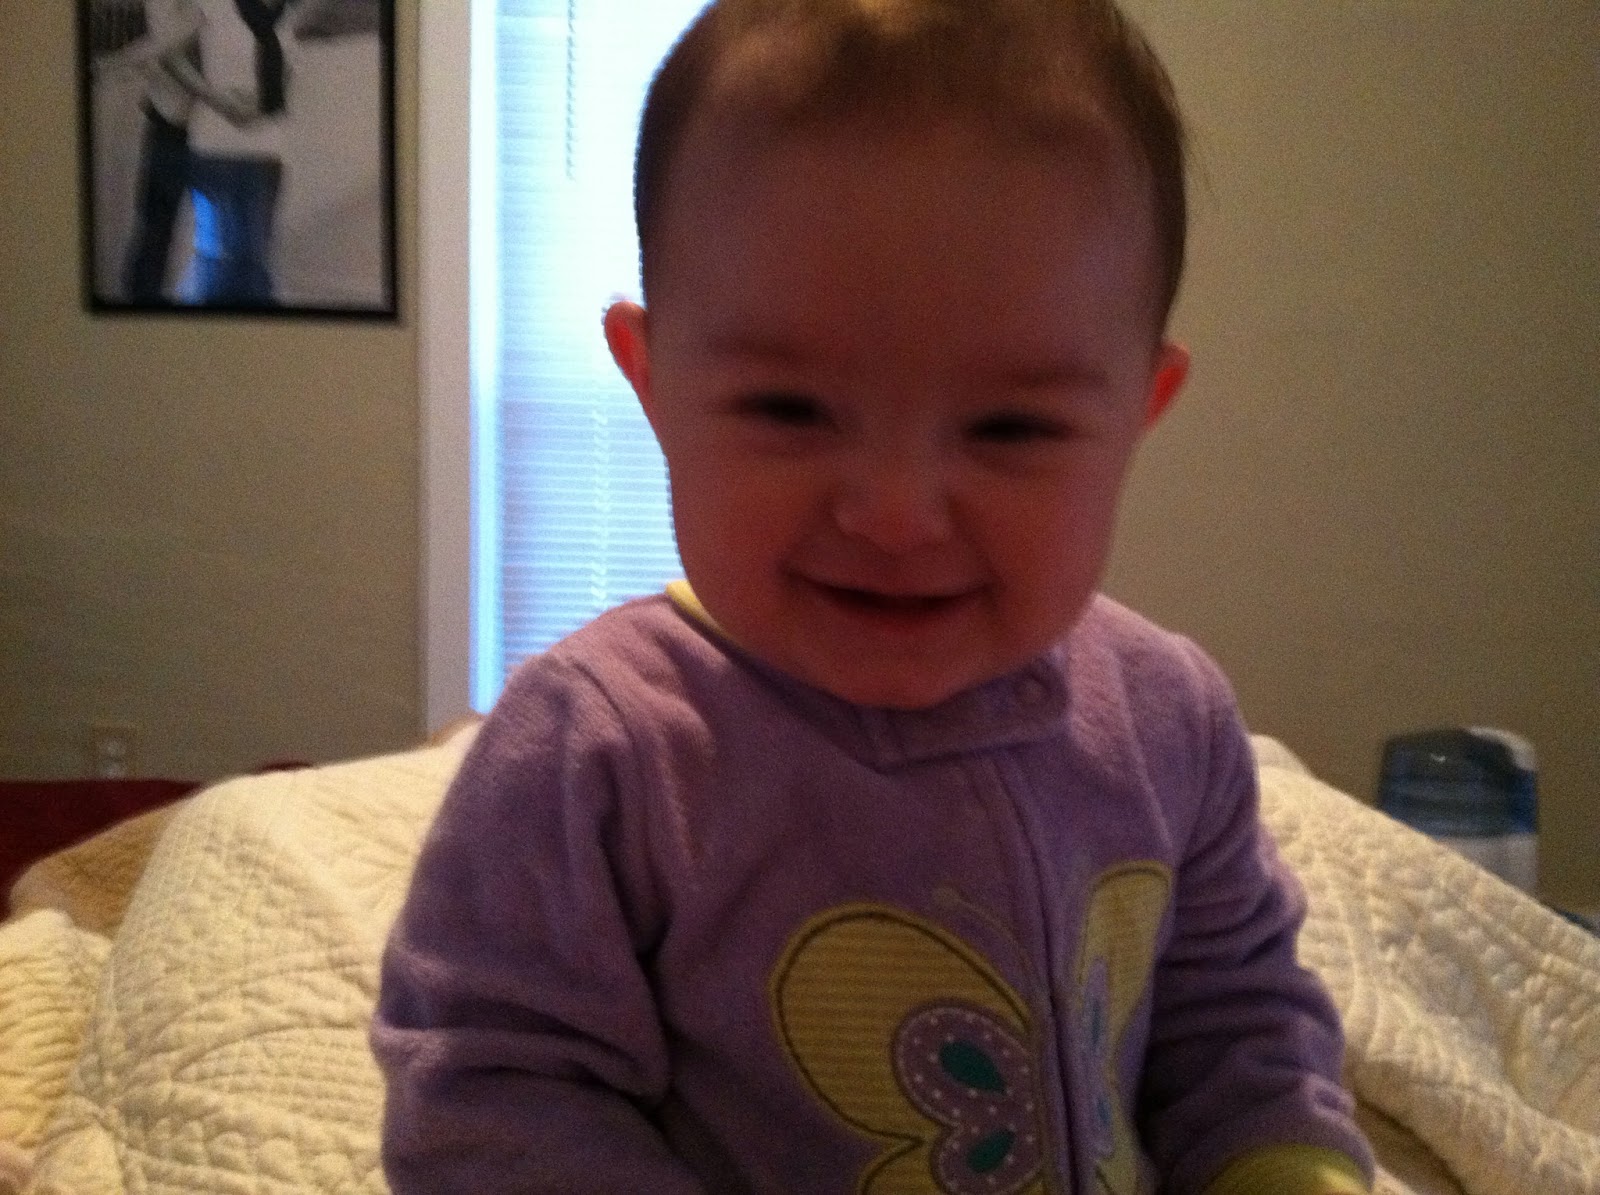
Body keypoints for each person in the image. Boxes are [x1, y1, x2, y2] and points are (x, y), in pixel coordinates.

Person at [372, 1, 1376, 1192]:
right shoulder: (601, 752)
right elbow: (491, 1094)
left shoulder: (1172, 721)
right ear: (653, 383)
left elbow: (1237, 1024)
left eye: (1010, 427)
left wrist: (1282, 1162)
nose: (895, 514)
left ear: (1136, 415)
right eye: (788, 409)